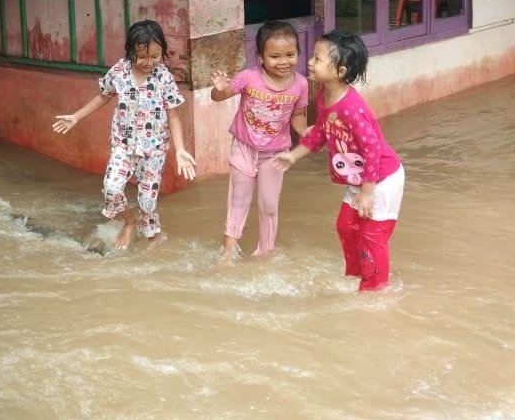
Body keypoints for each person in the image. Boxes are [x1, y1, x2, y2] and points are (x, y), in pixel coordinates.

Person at [273, 30, 405, 291]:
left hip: (382, 178)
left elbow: (372, 150)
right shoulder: (323, 96)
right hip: (362, 177)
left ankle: (376, 289)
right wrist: (293, 155)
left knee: (372, 235)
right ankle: (355, 277)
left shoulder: (352, 109)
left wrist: (367, 193)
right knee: (346, 226)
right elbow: (321, 132)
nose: (310, 62)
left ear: (340, 71)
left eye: (318, 59)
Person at [52, 19, 196, 250]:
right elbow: (104, 95)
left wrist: (180, 150)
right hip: (124, 145)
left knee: (148, 201)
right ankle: (129, 222)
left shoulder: (164, 78)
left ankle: (153, 238)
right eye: (143, 56)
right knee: (111, 187)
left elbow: (174, 115)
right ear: (131, 51)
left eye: (156, 56)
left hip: (154, 149)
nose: (149, 62)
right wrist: (76, 116)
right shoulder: (119, 71)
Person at [210, 21, 308, 260]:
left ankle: (265, 251)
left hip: (275, 154)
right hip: (244, 148)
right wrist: (219, 89)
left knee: (269, 205)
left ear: (298, 54)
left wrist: (307, 133)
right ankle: (229, 251)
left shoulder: (301, 84)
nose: (283, 61)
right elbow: (218, 97)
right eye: (275, 56)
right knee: (239, 200)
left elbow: (297, 117)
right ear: (261, 56)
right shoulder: (248, 77)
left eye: (290, 55)